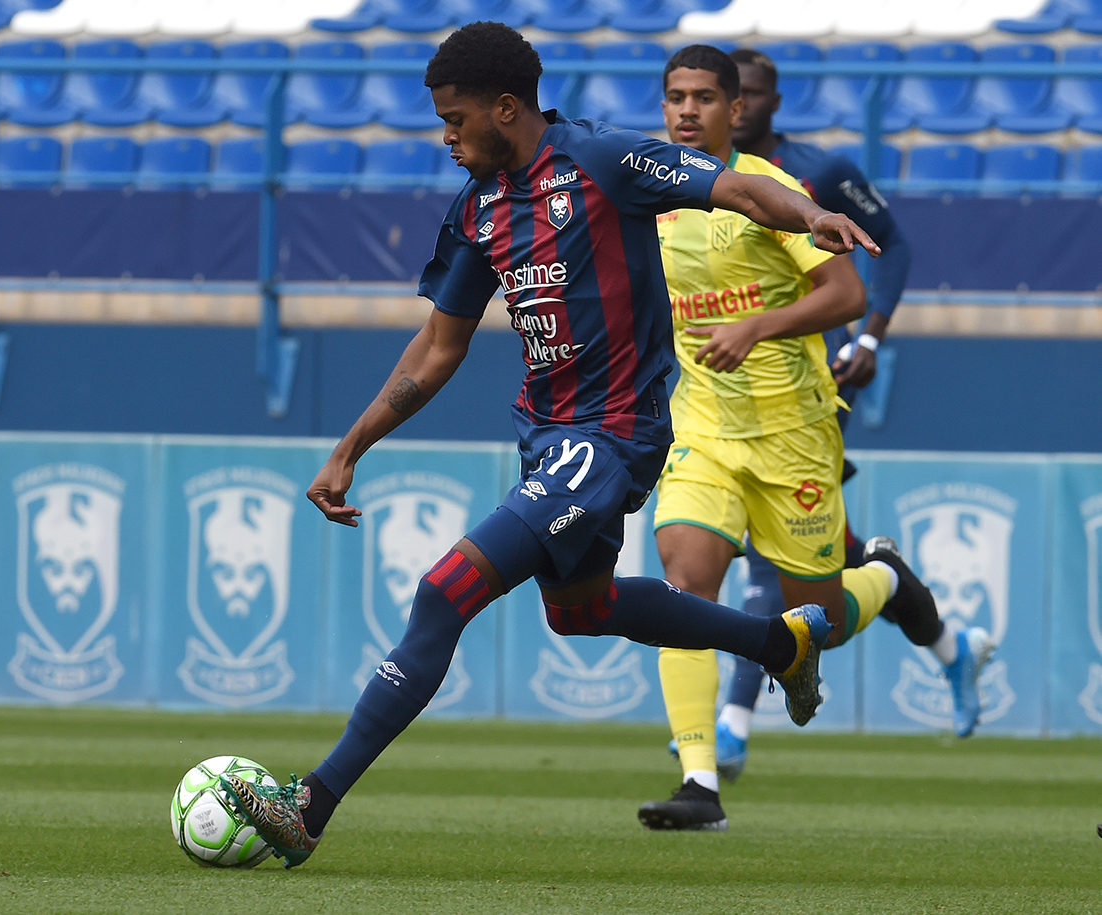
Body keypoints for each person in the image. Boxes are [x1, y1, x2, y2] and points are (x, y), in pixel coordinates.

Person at [214, 21, 882, 869]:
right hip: (549, 439)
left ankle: (310, 804)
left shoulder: (603, 162)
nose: (446, 138)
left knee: (443, 590)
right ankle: (781, 643)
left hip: (612, 435)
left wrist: (814, 211)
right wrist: (352, 446)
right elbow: (439, 344)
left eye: (456, 121)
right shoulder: (481, 207)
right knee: (583, 611)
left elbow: (738, 190)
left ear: (506, 107)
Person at [636, 45, 992, 833]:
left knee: (817, 617)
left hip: (795, 433)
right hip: (703, 427)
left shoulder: (780, 193)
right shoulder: (648, 194)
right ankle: (700, 783)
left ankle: (888, 580)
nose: (687, 110)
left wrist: (759, 324)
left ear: (737, 111)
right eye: (674, 97)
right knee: (684, 587)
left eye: (704, 97)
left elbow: (848, 290)